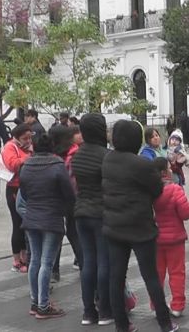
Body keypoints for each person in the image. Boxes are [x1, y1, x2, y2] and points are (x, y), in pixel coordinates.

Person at [102, 120, 178, 332]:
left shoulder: (108, 160)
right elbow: (156, 190)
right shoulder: (141, 164)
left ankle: (122, 325)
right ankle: (165, 323)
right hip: (140, 227)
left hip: (114, 225)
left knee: (116, 277)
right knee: (151, 276)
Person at [19, 133, 76, 319]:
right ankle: (44, 305)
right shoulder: (57, 165)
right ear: (51, 146)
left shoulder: (26, 165)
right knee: (46, 262)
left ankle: (35, 302)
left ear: (34, 146)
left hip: (31, 217)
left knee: (34, 260)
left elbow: (24, 193)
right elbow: (68, 193)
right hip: (52, 218)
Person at [71, 113, 114, 326]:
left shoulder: (77, 155)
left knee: (87, 263)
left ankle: (88, 312)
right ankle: (105, 310)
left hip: (81, 213)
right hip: (101, 213)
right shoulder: (106, 155)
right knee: (103, 262)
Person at [152, 156, 189, 317]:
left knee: (157, 273)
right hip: (175, 239)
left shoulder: (148, 191)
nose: (171, 170)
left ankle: (156, 304)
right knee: (176, 272)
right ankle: (177, 305)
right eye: (169, 167)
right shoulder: (175, 189)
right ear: (164, 172)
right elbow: (186, 213)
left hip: (155, 238)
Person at [51, 125, 83, 280]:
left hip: (60, 201)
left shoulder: (55, 156)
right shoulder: (75, 153)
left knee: (61, 234)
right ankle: (83, 264)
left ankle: (54, 271)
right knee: (73, 233)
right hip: (72, 199)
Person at [1, 123, 34, 273]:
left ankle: (25, 255)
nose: (28, 141)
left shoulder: (29, 147)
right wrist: (28, 157)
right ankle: (17, 259)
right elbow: (12, 164)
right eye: (24, 138)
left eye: (29, 138)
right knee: (18, 223)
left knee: (26, 223)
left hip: (28, 187)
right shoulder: (10, 147)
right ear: (17, 137)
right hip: (14, 188)